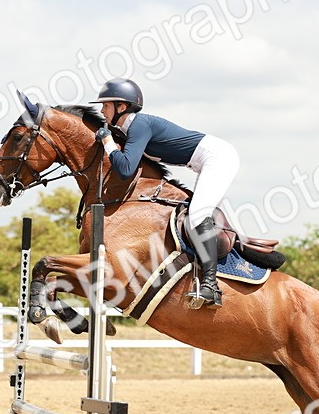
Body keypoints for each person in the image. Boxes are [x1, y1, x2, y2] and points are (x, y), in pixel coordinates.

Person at [91, 77, 239, 308]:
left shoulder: (138, 124)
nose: (101, 110)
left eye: (106, 105)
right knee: (196, 213)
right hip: (207, 161)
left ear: (122, 107)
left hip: (218, 158)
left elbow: (126, 167)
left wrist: (108, 142)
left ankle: (211, 287)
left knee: (198, 215)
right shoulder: (130, 127)